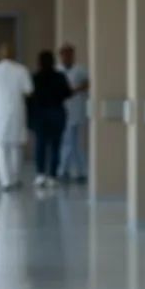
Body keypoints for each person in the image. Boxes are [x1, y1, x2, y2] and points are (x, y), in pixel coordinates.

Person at [0, 43, 33, 191]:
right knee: (16, 146)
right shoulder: (21, 70)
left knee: (1, 147)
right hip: (16, 110)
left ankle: (5, 181)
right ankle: (15, 178)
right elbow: (28, 91)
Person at [30, 50, 72, 188]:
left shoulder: (35, 78)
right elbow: (67, 93)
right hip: (57, 113)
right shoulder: (59, 76)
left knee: (40, 145)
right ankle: (53, 175)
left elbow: (29, 99)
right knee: (56, 145)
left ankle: (41, 174)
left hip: (40, 114)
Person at [58, 43, 90, 184]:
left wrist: (76, 89)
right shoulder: (57, 71)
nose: (67, 56)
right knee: (66, 142)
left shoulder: (81, 70)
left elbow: (87, 84)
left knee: (77, 143)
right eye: (65, 54)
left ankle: (81, 171)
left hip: (77, 110)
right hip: (63, 110)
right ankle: (63, 170)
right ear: (61, 55)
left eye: (70, 53)